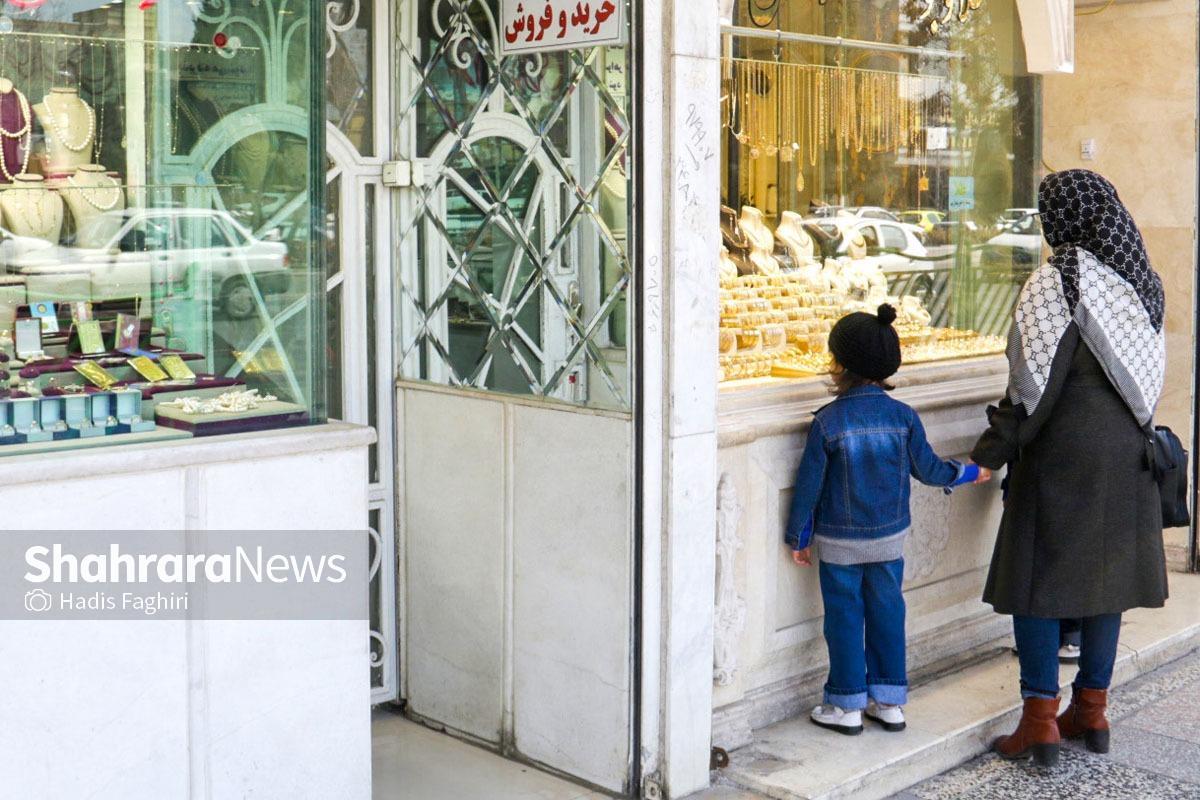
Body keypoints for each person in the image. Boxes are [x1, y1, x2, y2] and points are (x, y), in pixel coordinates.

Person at [972, 169, 1168, 768]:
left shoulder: (1057, 283)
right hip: (1125, 460)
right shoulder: (1140, 281)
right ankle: (1091, 712)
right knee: (1105, 590)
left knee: (1035, 589)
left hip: (1063, 462)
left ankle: (1038, 722)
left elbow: (1033, 391)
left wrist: (988, 455)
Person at [785, 303, 988, 736]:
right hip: (889, 540)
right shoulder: (903, 417)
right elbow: (931, 469)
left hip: (840, 542)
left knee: (843, 618)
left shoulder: (828, 423)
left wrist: (798, 536)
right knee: (887, 613)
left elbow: (809, 488)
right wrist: (970, 472)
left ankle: (846, 705)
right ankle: (889, 701)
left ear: (837, 364)